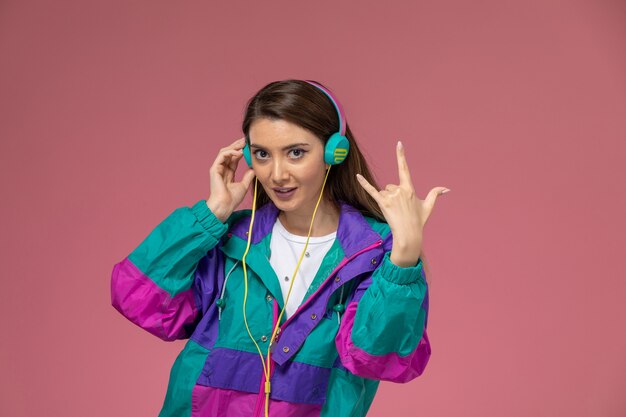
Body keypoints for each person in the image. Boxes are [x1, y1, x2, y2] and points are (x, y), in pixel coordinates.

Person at [111, 79, 449, 417]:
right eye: (261, 154)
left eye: (296, 153)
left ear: (334, 152)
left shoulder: (374, 255)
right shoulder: (231, 240)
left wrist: (404, 255)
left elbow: (378, 358)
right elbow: (138, 300)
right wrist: (210, 215)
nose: (276, 174)